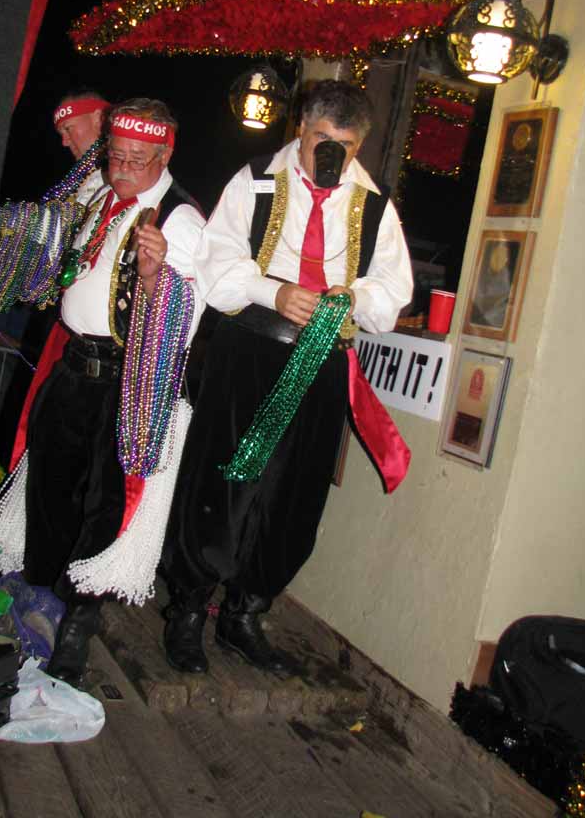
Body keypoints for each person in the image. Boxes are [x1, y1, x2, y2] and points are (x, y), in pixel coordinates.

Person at [160, 79, 413, 675]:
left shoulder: (375, 205)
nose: (331, 153)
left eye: (344, 146)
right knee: (223, 480)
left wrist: (351, 297)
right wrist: (271, 291)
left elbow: (393, 291)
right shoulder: (254, 181)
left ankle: (246, 612)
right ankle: (189, 609)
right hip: (250, 348)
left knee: (294, 496)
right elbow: (216, 264)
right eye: (321, 138)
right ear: (301, 128)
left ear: (359, 146)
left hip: (322, 361)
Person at [0, 97, 204, 687]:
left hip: (125, 381)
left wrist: (157, 277)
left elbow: (188, 320)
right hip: (71, 366)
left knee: (104, 506)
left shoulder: (182, 220)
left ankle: (79, 624)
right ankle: (40, 596)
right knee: (49, 489)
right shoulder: (102, 200)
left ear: (164, 156)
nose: (123, 168)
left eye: (138, 159)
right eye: (116, 155)